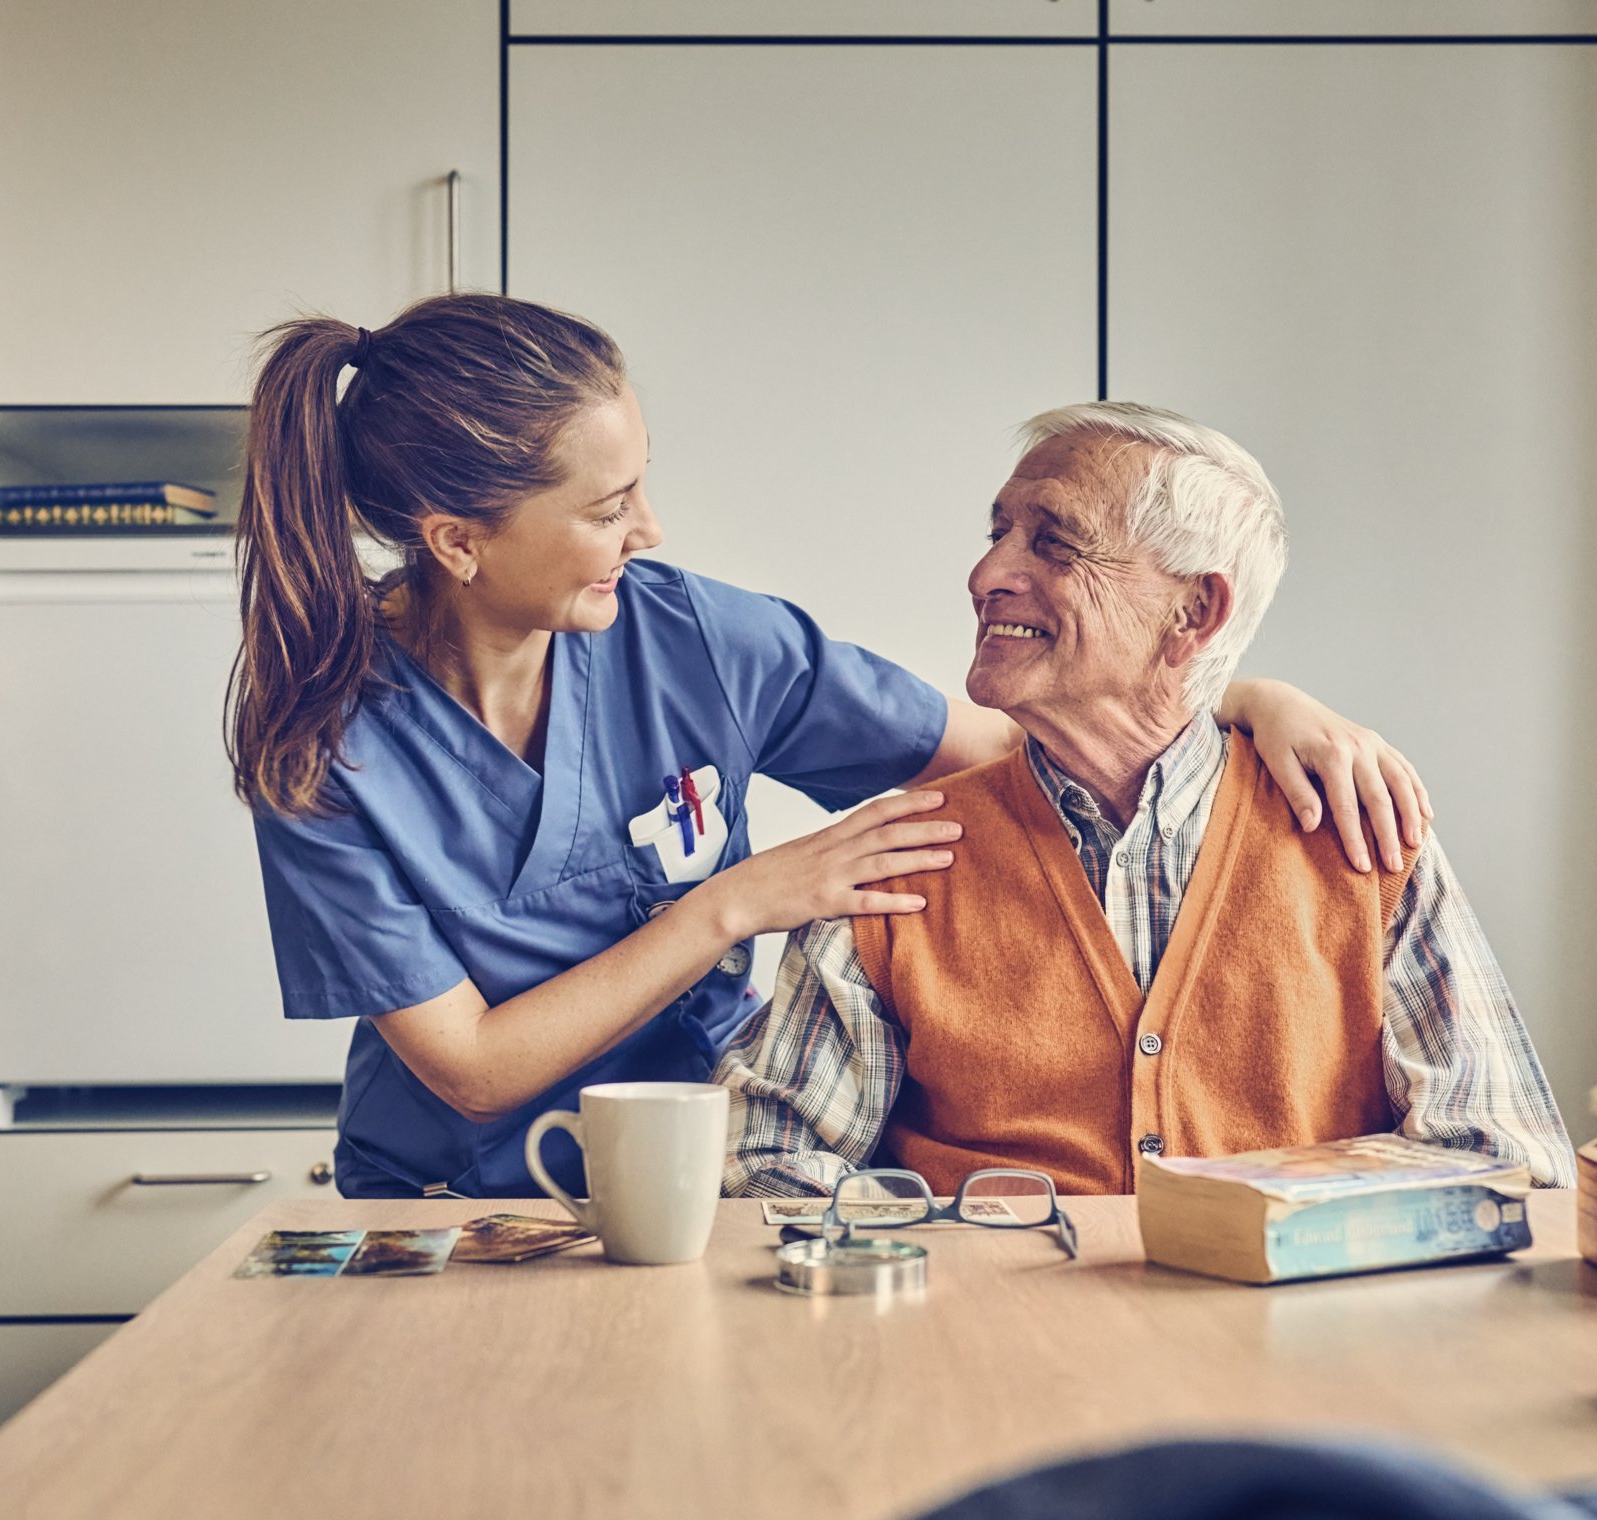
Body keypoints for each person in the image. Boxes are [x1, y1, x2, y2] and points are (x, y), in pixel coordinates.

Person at [235, 295, 1435, 1198]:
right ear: (456, 541)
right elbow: (475, 1068)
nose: (647, 529)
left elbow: (1022, 739)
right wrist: (735, 902)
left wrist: (1241, 697)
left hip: (677, 1180)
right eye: (606, 509)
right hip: (448, 1201)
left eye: (640, 484)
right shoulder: (319, 744)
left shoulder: (692, 634)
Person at [719, 402, 1575, 1196]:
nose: (986, 574)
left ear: (1194, 609)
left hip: (1290, 1344)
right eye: (997, 533)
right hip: (983, 1345)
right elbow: (763, 1168)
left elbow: (1501, 1164)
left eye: (1054, 542)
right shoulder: (897, 864)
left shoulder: (1359, 836)